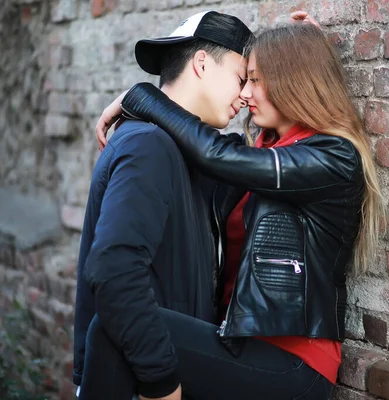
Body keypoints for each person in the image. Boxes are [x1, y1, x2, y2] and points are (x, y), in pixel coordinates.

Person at [92, 21, 385, 400]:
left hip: (294, 363)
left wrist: (142, 97)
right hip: (239, 343)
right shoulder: (264, 152)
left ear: (291, 81)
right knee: (123, 327)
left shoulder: (333, 157)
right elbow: (204, 146)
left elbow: (215, 153)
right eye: (244, 80)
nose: (245, 94)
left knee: (110, 330)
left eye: (256, 80)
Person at [74, 11, 254, 400]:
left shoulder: (187, 155)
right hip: (135, 383)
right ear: (202, 64)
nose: (245, 95)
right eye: (242, 79)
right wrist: (160, 379)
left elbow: (262, 161)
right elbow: (114, 269)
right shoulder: (148, 146)